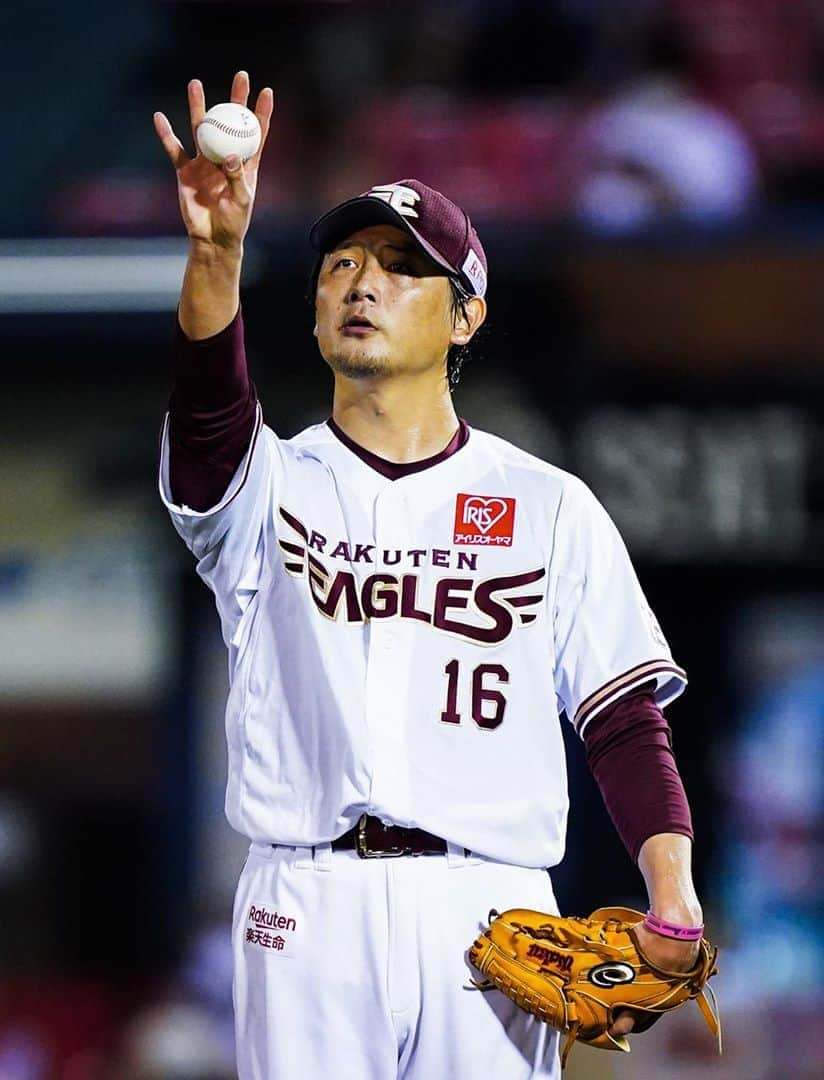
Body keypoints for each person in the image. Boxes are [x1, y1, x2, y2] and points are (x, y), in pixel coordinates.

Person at [153, 71, 705, 1079]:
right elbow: (205, 419)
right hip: (308, 899)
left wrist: (670, 887)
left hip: (492, 911)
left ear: (465, 317)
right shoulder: (268, 484)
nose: (363, 283)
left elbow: (624, 719)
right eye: (345, 264)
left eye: (405, 269)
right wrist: (216, 254)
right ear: (316, 307)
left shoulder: (549, 506)